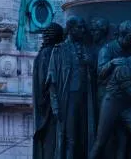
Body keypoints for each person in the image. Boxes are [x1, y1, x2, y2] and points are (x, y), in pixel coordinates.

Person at [90, 36, 131, 159]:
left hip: (127, 106)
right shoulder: (123, 67)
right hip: (112, 104)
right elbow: (130, 92)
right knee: (100, 143)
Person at [46, 17, 96, 159]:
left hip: (85, 97)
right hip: (68, 98)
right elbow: (52, 80)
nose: (83, 30)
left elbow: (94, 74)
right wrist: (55, 105)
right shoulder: (59, 50)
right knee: (70, 138)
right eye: (79, 27)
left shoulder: (85, 49)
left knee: (84, 135)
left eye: (83, 28)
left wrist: (89, 64)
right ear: (71, 29)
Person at [33, 23, 64, 159]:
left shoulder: (42, 54)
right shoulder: (50, 53)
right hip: (49, 107)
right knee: (52, 140)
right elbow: (47, 81)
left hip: (45, 105)